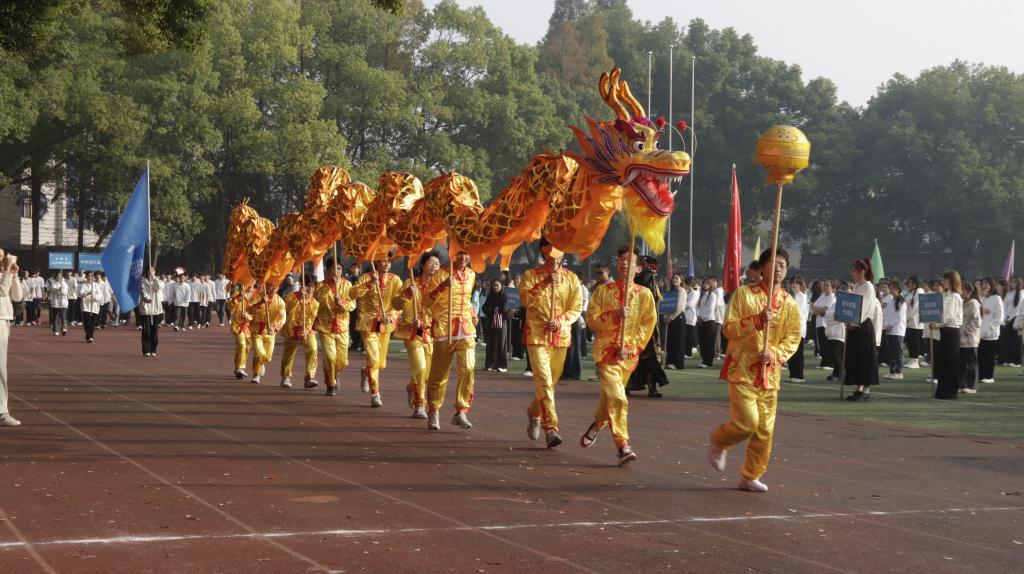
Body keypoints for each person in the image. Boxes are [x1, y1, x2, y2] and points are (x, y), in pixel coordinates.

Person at [708, 248, 801, 492]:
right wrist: (757, 320)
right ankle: (720, 440)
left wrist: (776, 354)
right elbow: (729, 329)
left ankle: (750, 475)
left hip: (769, 374)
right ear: (762, 267)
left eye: (782, 265)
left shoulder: (790, 304)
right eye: (773, 263)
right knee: (747, 423)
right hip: (742, 369)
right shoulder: (743, 294)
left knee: (764, 430)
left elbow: (793, 338)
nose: (778, 268)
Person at [579, 246, 656, 464]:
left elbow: (647, 326)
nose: (624, 263)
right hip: (606, 354)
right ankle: (623, 445)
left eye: (630, 261)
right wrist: (614, 315)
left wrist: (631, 348)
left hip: (627, 357)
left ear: (638, 268)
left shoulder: (645, 295)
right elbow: (592, 321)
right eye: (621, 259)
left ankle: (597, 424)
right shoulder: (603, 291)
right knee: (619, 398)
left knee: (610, 398)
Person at [519, 239, 583, 448]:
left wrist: (561, 321)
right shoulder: (530, 276)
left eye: (559, 251)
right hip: (536, 336)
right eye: (551, 251)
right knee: (545, 382)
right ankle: (551, 429)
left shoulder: (571, 279)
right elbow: (526, 300)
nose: (555, 256)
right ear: (543, 252)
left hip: (560, 337)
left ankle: (534, 412)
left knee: (549, 385)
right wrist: (545, 282)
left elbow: (576, 307)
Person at [424, 251, 478, 430]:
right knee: (439, 375)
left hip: (466, 330)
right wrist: (442, 286)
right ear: (452, 254)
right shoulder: (440, 274)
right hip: (444, 329)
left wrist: (472, 313)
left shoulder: (471, 274)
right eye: (459, 254)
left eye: (466, 254)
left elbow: (467, 300)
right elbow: (426, 302)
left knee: (468, 368)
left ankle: (461, 411)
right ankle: (434, 410)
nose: (463, 258)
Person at [349, 255, 402, 408]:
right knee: (373, 360)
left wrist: (392, 317)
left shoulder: (395, 280)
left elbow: (398, 304)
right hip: (368, 323)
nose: (387, 264)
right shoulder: (366, 277)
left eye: (389, 261)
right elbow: (352, 294)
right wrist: (369, 284)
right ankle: (375, 393)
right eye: (384, 261)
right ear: (377, 262)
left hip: (385, 325)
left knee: (381, 364)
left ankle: (365, 372)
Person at [394, 252, 439, 419]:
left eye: (437, 263)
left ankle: (412, 386)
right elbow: (396, 305)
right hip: (412, 332)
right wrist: (407, 293)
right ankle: (420, 405)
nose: (435, 266)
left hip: (432, 333)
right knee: (420, 368)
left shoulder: (439, 287)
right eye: (431, 262)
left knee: (427, 374)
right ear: (422, 265)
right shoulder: (410, 282)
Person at [314, 257, 356, 396]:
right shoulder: (320, 286)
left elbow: (353, 304)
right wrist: (329, 287)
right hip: (325, 327)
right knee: (330, 357)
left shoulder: (347, 285)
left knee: (343, 361)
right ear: (328, 270)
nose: (336, 271)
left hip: (342, 327)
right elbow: (317, 299)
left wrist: (342, 303)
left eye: (339, 268)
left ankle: (332, 373)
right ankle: (330, 384)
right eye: (333, 268)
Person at [844, 260, 881, 401]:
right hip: (854, 326)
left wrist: (855, 323)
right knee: (855, 358)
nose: (852, 273)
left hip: (863, 325)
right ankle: (858, 388)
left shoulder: (868, 287)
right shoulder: (856, 286)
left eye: (854, 270)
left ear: (862, 271)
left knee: (865, 358)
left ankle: (866, 390)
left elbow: (865, 308)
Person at [279, 274, 320, 389]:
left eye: (312, 286)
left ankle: (309, 377)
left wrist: (307, 331)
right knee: (289, 354)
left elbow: (313, 319)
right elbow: (288, 308)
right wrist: (299, 299)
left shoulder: (315, 303)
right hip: (292, 329)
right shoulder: (291, 296)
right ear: (302, 285)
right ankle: (285, 377)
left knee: (313, 349)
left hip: (307, 330)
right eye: (308, 286)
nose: (310, 289)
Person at [0, 250, 24, 426]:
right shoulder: (4, 274)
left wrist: (14, 275)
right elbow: (1, 291)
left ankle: (2, 410)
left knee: (1, 368)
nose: (3, 260)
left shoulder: (5, 274)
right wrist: (8, 271)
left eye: (3, 257)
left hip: (3, 320)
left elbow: (17, 296)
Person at [247, 280, 286, 384]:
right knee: (259, 353)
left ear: (278, 288)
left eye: (275, 286)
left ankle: (261, 364)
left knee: (267, 357)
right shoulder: (256, 297)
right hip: (256, 331)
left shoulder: (280, 301)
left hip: (270, 333)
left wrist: (275, 328)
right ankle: (256, 374)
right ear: (266, 286)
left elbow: (282, 318)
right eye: (270, 286)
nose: (272, 289)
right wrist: (260, 302)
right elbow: (249, 310)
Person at [933, 271, 964, 400]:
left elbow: (950, 317)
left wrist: (937, 325)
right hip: (944, 331)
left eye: (945, 279)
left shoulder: (955, 297)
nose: (943, 282)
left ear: (951, 281)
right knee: (943, 361)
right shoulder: (945, 295)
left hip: (951, 331)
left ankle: (950, 391)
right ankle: (942, 390)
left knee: (950, 361)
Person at [978, 277, 1003, 384]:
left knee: (989, 356)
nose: (985, 286)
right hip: (979, 332)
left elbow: (999, 316)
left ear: (991, 285)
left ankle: (989, 376)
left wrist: (990, 328)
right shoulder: (980, 298)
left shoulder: (996, 298)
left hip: (991, 333)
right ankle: (981, 375)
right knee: (980, 355)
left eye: (987, 284)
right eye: (983, 283)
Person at [880, 280, 906, 380]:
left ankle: (899, 372)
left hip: (898, 330)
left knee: (897, 352)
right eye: (890, 287)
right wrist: (886, 325)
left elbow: (900, 317)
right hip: (889, 330)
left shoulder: (901, 301)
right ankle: (892, 371)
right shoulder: (890, 301)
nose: (890, 289)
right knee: (891, 352)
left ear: (898, 289)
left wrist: (890, 325)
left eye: (892, 288)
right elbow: (886, 315)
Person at [482, 279, 509, 372]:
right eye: (494, 285)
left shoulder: (504, 297)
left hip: (501, 322)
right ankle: (489, 364)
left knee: (501, 343)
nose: (495, 287)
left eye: (497, 285)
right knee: (490, 343)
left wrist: (492, 309)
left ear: (501, 286)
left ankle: (502, 366)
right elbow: (484, 308)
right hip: (490, 322)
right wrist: (494, 309)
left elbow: (503, 309)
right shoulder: (490, 297)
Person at [226, 284, 252, 379]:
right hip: (237, 326)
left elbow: (257, 312)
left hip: (250, 327)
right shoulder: (237, 293)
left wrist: (248, 316)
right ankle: (240, 368)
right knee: (241, 345)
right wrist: (238, 298)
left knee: (246, 348)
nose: (251, 284)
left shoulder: (256, 295)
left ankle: (237, 368)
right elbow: (229, 307)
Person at [959, 282, 981, 394]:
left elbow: (976, 321)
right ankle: (963, 385)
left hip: (970, 339)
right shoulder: (962, 303)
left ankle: (972, 387)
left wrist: (966, 332)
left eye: (962, 290)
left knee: (971, 364)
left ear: (969, 292)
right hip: (960, 339)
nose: (960, 292)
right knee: (961, 364)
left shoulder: (974, 304)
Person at [824, 282, 848, 382]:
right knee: (833, 354)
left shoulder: (845, 304)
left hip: (839, 333)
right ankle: (836, 372)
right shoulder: (834, 304)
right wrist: (836, 317)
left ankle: (839, 374)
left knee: (836, 354)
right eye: (839, 291)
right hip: (831, 333)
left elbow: (841, 316)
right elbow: (827, 315)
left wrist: (836, 317)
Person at [786, 276, 809, 382]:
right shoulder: (794, 296)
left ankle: (799, 375)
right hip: (791, 328)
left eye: (796, 283)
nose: (794, 285)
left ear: (801, 285)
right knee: (791, 352)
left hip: (798, 328)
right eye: (792, 283)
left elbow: (798, 312)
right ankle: (793, 374)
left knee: (798, 353)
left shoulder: (802, 296)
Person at [663, 274, 687, 370]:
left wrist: (671, 317)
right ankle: (669, 361)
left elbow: (679, 307)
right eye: (673, 278)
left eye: (677, 278)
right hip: (670, 318)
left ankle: (677, 363)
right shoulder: (670, 292)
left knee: (677, 341)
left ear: (681, 281)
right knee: (670, 340)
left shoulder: (682, 291)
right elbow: (666, 305)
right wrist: (665, 316)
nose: (674, 279)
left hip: (678, 317)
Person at [812, 279, 836, 369]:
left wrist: (818, 310)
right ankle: (823, 362)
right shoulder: (822, 295)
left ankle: (828, 363)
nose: (825, 287)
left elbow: (825, 310)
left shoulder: (831, 296)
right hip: (819, 322)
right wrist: (819, 310)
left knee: (826, 344)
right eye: (824, 285)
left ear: (832, 288)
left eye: (827, 285)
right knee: (821, 344)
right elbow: (813, 306)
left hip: (826, 324)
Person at [696, 278, 720, 368]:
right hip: (701, 321)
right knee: (702, 341)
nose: (705, 285)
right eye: (704, 283)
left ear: (711, 285)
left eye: (707, 283)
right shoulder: (702, 295)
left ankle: (708, 361)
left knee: (709, 342)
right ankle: (704, 359)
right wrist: (698, 315)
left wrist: (703, 316)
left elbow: (710, 308)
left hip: (709, 321)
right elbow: (697, 307)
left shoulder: (712, 295)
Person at [140, 267, 164, 357]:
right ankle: (146, 350)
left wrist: (154, 278)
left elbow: (158, 288)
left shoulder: (158, 281)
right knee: (146, 331)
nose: (151, 272)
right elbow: (143, 292)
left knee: (155, 331)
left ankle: (153, 349)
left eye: (152, 271)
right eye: (149, 271)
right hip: (146, 310)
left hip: (156, 310)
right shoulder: (142, 282)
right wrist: (146, 298)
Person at [999, 277, 1021, 366]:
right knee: (1007, 341)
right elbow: (1004, 306)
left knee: (1015, 342)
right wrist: (1004, 318)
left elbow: (1017, 309)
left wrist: (1010, 318)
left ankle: (1016, 361)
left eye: (1014, 282)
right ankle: (1007, 360)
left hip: (1016, 320)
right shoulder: (1008, 294)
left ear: (1018, 283)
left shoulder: (1021, 294)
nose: (1012, 283)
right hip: (1007, 320)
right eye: (1011, 282)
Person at [904, 277, 925, 369]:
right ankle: (911, 359)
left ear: (915, 284)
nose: (908, 285)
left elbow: (916, 307)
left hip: (915, 322)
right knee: (910, 342)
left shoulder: (919, 291)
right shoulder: (909, 293)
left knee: (914, 342)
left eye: (910, 283)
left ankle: (915, 361)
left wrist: (909, 317)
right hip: (908, 322)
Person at [78, 272, 101, 343]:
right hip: (86, 307)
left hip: (94, 307)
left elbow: (99, 296)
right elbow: (81, 294)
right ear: (86, 277)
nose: (90, 278)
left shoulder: (96, 285)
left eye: (91, 276)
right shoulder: (83, 285)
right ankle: (90, 336)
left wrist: (94, 296)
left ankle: (89, 336)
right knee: (87, 323)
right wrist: (88, 293)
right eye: (88, 276)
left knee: (92, 323)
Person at [46, 270, 69, 336]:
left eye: (60, 276)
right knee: (56, 317)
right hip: (55, 303)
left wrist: (60, 291)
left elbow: (65, 292)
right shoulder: (53, 283)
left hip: (63, 303)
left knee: (63, 317)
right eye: (58, 276)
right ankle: (55, 330)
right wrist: (59, 289)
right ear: (55, 277)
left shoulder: (64, 284)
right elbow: (53, 290)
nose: (59, 277)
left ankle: (64, 328)